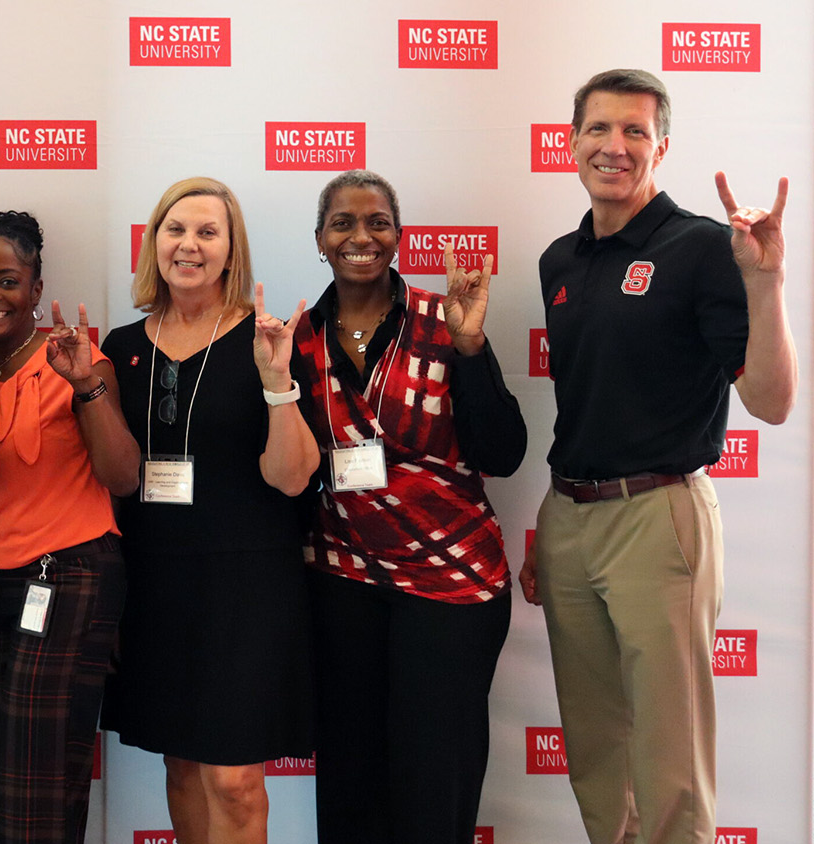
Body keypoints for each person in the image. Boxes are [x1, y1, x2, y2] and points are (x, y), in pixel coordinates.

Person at [519, 69, 796, 844]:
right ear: (571, 143)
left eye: (635, 132)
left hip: (659, 516)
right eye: (599, 130)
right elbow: (587, 400)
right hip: (570, 515)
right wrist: (552, 523)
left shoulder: (707, 249)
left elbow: (772, 402)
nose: (614, 147)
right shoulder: (559, 261)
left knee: (669, 765)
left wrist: (766, 283)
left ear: (661, 147)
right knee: (597, 756)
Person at [291, 169, 525, 844]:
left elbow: (503, 452)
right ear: (319, 240)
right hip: (342, 582)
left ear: (399, 237)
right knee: (350, 784)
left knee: (432, 783)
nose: (360, 237)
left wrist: (472, 348)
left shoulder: (445, 319)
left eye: (377, 223)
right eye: (343, 223)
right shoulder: (299, 340)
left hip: (448, 583)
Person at [100, 177, 320, 844]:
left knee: (234, 779)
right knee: (183, 765)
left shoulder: (269, 338)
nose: (189, 245)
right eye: (175, 229)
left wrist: (278, 384)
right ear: (153, 243)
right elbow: (116, 475)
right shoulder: (121, 347)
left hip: (247, 583)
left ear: (232, 251)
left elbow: (292, 478)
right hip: (156, 578)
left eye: (207, 232)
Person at [0, 211, 139, 844]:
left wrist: (85, 383)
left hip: (69, 576)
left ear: (36, 288)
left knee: (36, 782)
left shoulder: (76, 359)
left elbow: (122, 477)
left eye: (9, 279)